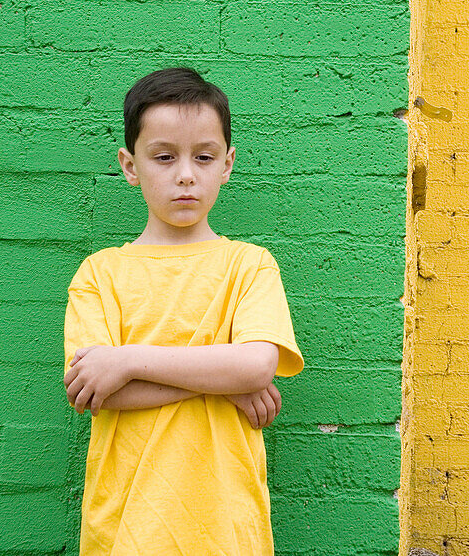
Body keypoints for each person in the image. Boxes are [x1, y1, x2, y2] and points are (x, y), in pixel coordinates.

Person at [63, 67, 304, 555]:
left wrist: (127, 361)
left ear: (227, 164)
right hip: (128, 522)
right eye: (164, 157)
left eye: (204, 156)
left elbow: (257, 365)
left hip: (223, 523)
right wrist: (222, 382)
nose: (186, 174)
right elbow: (99, 393)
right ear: (131, 167)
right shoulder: (99, 274)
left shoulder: (249, 265)